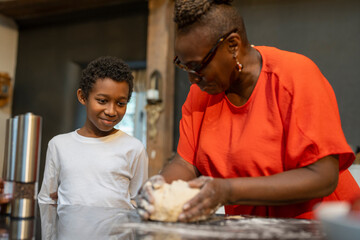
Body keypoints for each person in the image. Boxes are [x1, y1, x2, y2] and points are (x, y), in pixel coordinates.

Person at [137, 0, 360, 221]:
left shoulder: (294, 78)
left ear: (232, 45)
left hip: (321, 225)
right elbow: (186, 163)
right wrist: (159, 187)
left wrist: (227, 191)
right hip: (254, 226)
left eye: (197, 66)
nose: (192, 78)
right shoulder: (201, 93)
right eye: (183, 65)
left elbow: (323, 177)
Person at [38, 56, 148, 209]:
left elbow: (140, 203)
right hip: (69, 233)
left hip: (116, 233)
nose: (111, 111)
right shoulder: (59, 145)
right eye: (102, 101)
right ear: (83, 97)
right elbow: (47, 201)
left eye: (120, 103)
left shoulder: (134, 148)